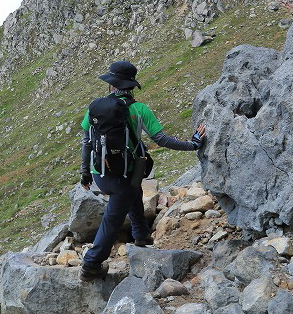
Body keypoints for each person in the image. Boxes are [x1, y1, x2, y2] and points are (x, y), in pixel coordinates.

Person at [79, 60, 206, 281]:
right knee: (114, 217)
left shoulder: (95, 107)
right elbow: (161, 139)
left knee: (133, 191)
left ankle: (141, 236)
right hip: (123, 175)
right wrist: (193, 144)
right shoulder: (139, 109)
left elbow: (87, 142)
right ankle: (90, 265)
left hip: (100, 174)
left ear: (111, 85)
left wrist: (85, 173)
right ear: (129, 86)